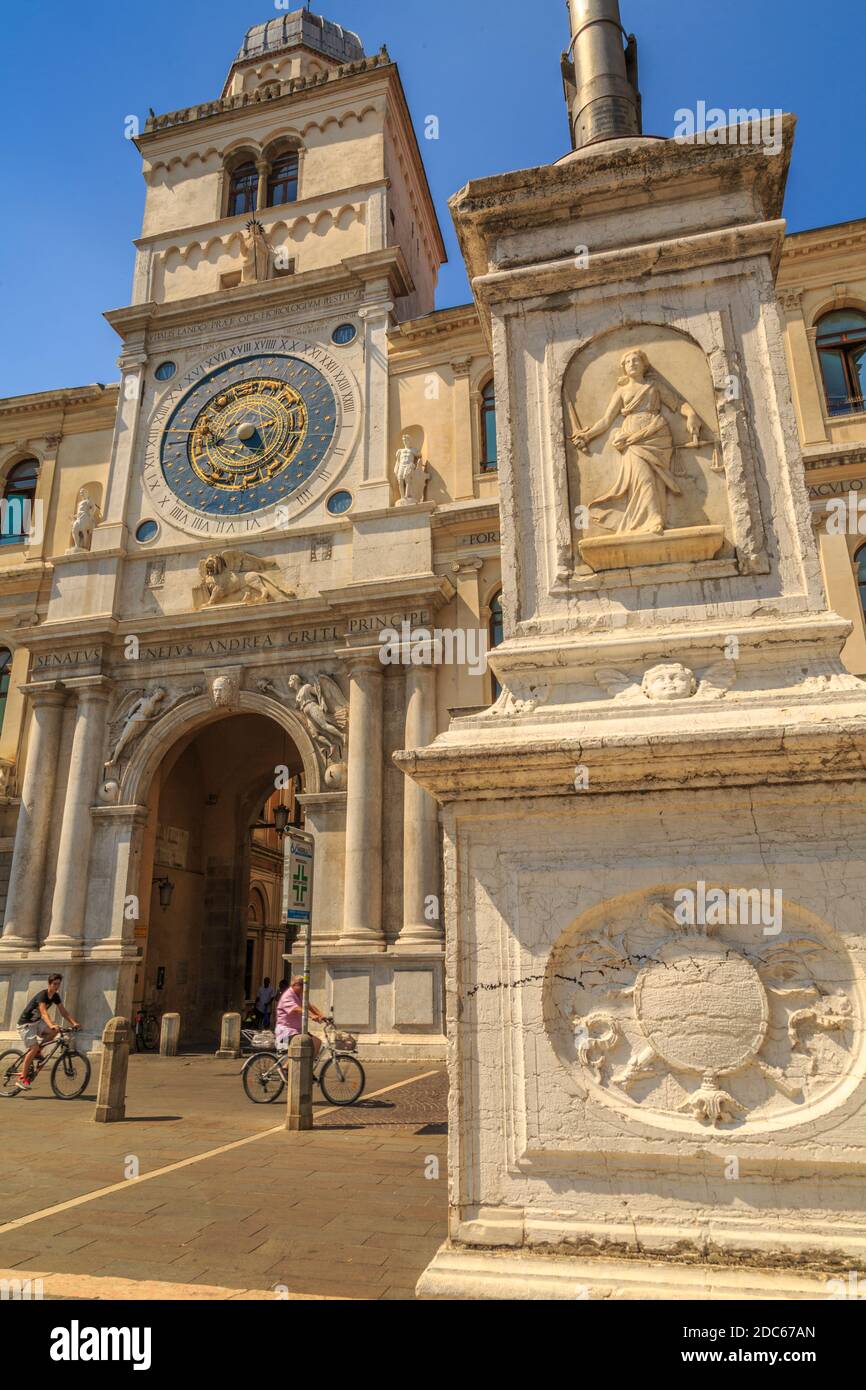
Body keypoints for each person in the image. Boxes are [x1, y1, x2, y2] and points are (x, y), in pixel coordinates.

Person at [16, 974, 79, 1090]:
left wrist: (74, 1023)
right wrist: (51, 1024)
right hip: (25, 1024)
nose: (57, 986)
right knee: (33, 1048)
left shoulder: (55, 996)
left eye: (58, 984)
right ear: (49, 984)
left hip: (37, 1023)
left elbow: (63, 1011)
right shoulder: (42, 995)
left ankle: (38, 1051)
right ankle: (22, 1078)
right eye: (54, 984)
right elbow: (43, 1012)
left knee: (53, 1032)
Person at [274, 976, 325, 1057]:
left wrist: (322, 1015)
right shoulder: (287, 996)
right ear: (295, 985)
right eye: (302, 985)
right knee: (302, 1046)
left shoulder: (299, 995)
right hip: (286, 1032)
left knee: (317, 1042)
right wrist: (311, 1016)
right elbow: (297, 1009)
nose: (305, 987)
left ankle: (307, 1066)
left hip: (296, 1031)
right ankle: (285, 1068)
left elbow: (309, 1006)